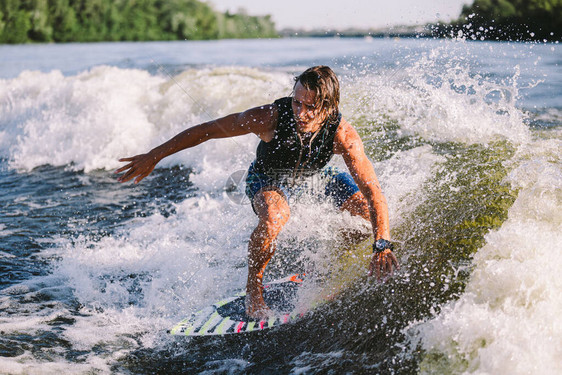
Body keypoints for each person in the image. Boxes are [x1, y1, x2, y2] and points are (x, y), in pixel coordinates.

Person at [116, 66, 399, 318]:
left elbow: (373, 191)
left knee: (367, 218)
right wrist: (155, 155)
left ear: (328, 108)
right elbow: (208, 130)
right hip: (267, 176)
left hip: (315, 177)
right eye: (297, 102)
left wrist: (383, 244)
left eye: (309, 107)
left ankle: (324, 267)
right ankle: (254, 289)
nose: (300, 113)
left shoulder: (343, 135)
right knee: (275, 217)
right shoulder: (270, 117)